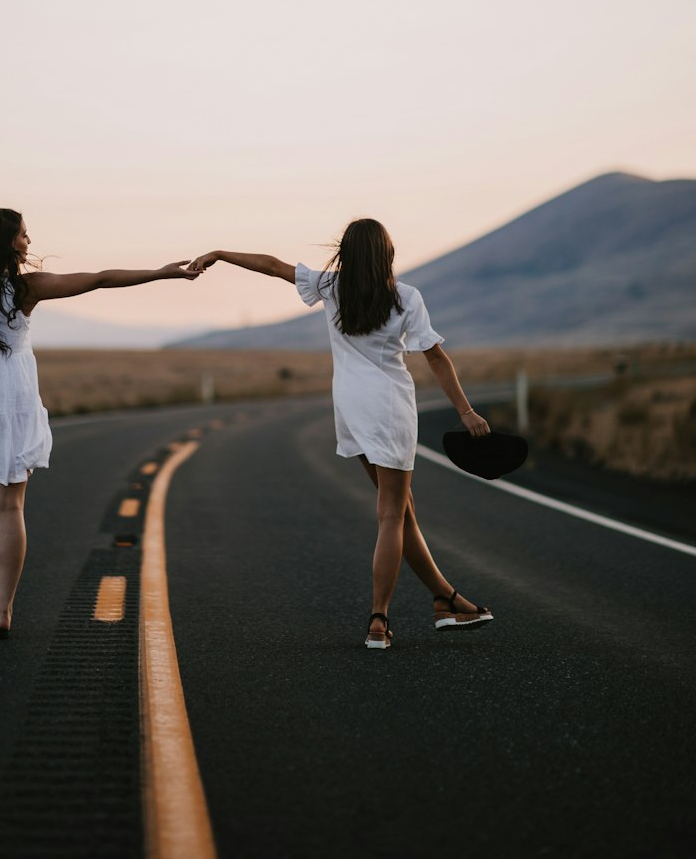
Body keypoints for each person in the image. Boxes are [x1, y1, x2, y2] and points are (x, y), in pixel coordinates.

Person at [188, 218, 493, 648]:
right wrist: (466, 411)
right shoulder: (405, 297)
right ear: (386, 254)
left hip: (350, 408)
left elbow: (272, 265)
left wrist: (220, 253)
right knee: (392, 513)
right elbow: (436, 358)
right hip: (389, 408)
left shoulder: (332, 288)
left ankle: (446, 600)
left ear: (346, 253)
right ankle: (378, 620)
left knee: (401, 511)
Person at [0, 207, 198, 638]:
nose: (29, 242)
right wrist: (160, 273)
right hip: (9, 397)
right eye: (24, 235)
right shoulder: (27, 286)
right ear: (10, 241)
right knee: (10, 506)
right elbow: (99, 278)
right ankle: (4, 610)